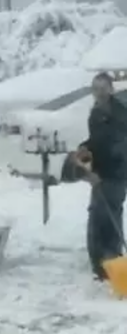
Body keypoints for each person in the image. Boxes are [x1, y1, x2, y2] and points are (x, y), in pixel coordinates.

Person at [73, 71, 127, 280]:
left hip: (116, 176)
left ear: (111, 90)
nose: (99, 93)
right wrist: (85, 149)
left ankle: (113, 267)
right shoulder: (95, 114)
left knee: (107, 220)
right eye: (95, 89)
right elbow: (97, 142)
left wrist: (105, 171)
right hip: (101, 174)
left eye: (103, 89)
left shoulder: (120, 114)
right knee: (99, 220)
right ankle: (104, 267)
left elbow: (120, 146)